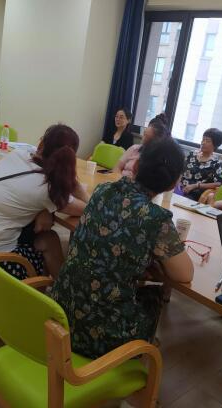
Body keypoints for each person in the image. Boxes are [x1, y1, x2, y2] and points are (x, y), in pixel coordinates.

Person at [52, 138, 194, 359]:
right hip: (100, 337)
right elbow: (185, 274)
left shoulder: (102, 191)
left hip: (60, 316)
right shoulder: (156, 218)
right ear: (172, 184)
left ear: (135, 166)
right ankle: (138, 350)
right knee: (153, 295)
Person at [0, 124, 88, 286]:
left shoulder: (19, 154)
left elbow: (27, 191)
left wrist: (45, 209)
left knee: (48, 238)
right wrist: (70, 182)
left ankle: (58, 291)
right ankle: (58, 291)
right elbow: (87, 209)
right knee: (47, 242)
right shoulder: (48, 189)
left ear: (41, 144)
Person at [113, 113, 170, 178]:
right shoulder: (134, 148)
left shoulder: (160, 160)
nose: (143, 138)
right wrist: (121, 181)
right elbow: (117, 167)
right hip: (121, 180)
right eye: (144, 134)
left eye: (148, 136)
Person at [179, 128, 222, 201]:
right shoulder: (192, 154)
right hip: (179, 187)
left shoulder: (216, 162)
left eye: (207, 141)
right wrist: (177, 183)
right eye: (203, 139)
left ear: (215, 145)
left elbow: (218, 183)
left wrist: (196, 186)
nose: (203, 143)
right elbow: (180, 170)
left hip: (194, 192)